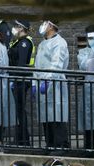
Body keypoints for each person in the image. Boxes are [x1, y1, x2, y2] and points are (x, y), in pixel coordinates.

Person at [33, 20, 70, 148]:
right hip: (42, 83)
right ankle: (50, 144)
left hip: (55, 84)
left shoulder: (59, 43)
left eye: (44, 22)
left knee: (56, 116)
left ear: (51, 26)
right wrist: (34, 82)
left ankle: (61, 145)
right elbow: (37, 65)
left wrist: (48, 79)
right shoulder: (42, 44)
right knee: (46, 117)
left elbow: (57, 64)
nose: (42, 25)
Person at [8, 20, 35, 146]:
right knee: (17, 110)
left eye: (16, 26)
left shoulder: (25, 43)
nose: (14, 28)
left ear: (21, 28)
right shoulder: (17, 41)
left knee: (20, 109)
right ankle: (20, 138)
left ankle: (23, 139)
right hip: (17, 79)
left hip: (21, 80)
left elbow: (21, 63)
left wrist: (14, 78)